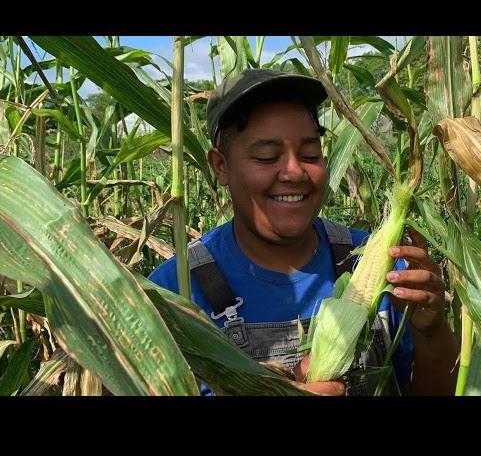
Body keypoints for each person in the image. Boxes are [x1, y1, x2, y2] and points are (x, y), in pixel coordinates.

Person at [149, 68, 459, 396]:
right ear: (221, 165)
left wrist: (432, 332)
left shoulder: (384, 267)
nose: (295, 171)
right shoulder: (175, 290)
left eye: (311, 154)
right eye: (267, 156)